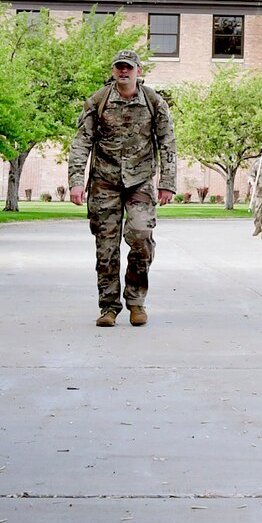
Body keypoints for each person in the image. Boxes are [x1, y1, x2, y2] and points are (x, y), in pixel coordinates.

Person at [67, 49, 176, 326]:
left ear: (138, 71)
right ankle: (109, 307)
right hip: (105, 182)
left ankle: (136, 302)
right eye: (119, 68)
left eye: (128, 67)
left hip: (140, 181)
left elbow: (167, 143)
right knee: (106, 247)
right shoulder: (98, 101)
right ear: (114, 71)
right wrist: (76, 182)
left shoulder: (154, 102)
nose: (123, 72)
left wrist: (167, 184)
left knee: (141, 237)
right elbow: (81, 142)